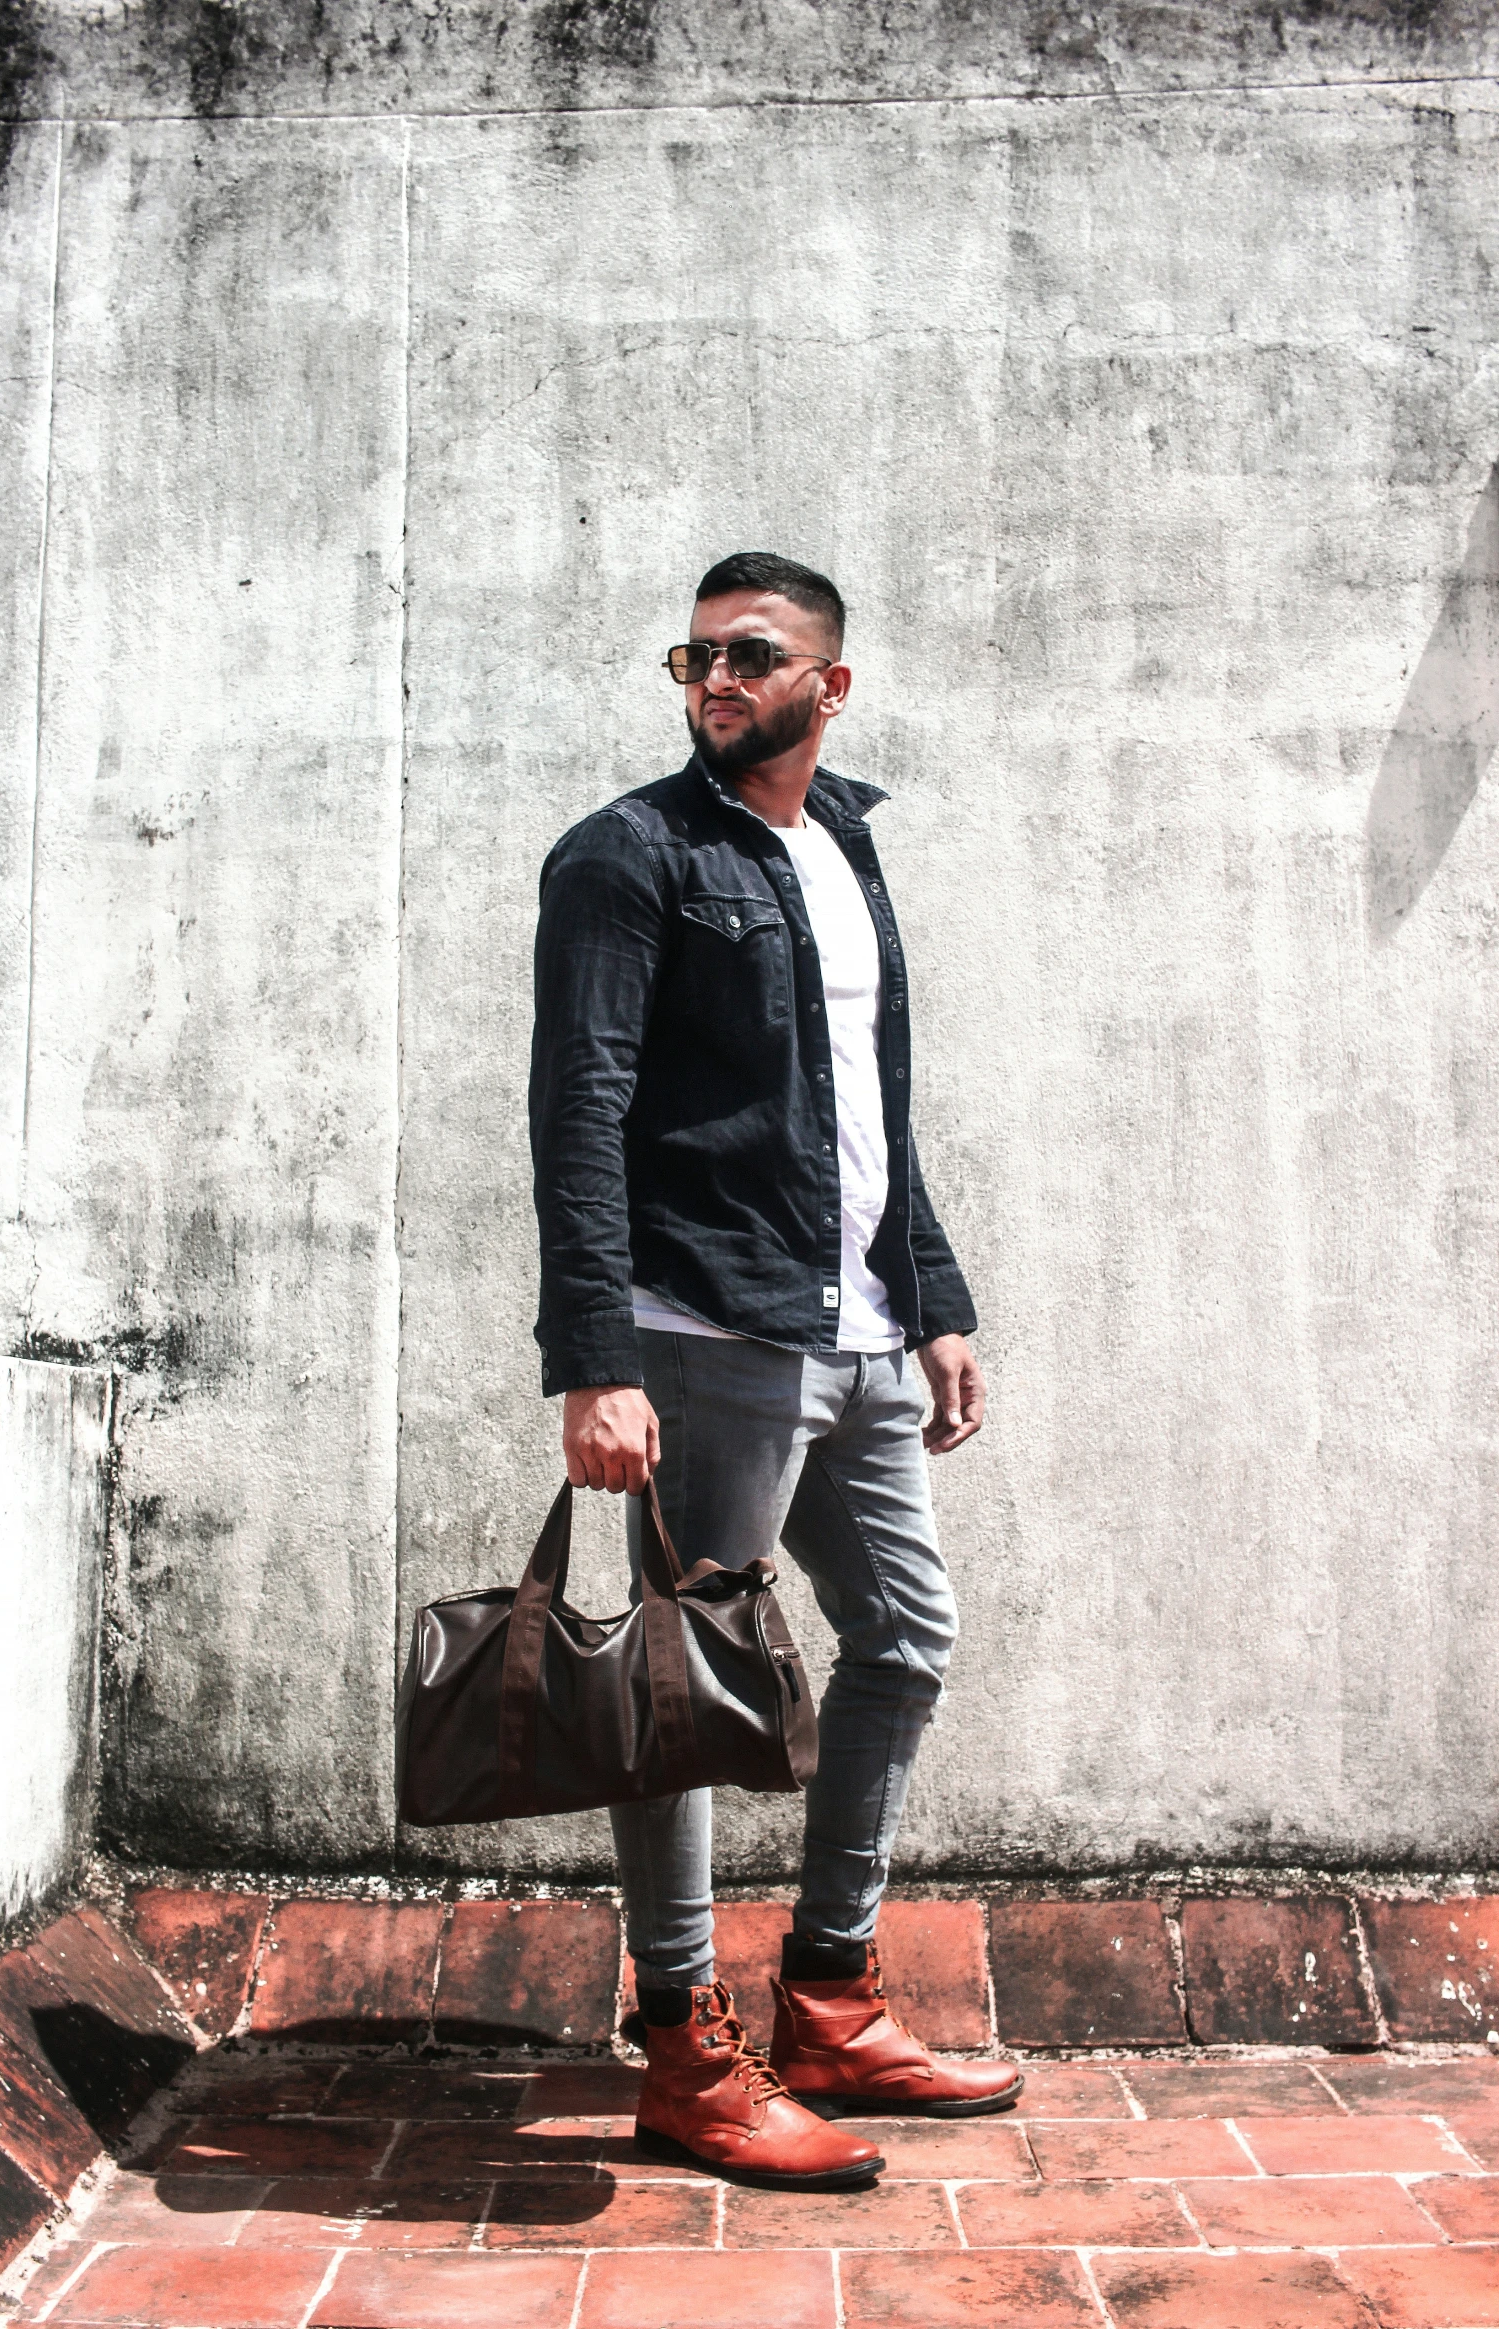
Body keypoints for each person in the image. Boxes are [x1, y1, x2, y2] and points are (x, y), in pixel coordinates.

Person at [529, 551, 1021, 2189]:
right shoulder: (627, 856)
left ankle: (828, 1995)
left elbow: (876, 1113)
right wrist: (597, 1357)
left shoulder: (843, 850)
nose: (715, 680)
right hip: (708, 1331)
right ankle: (680, 2045)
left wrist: (934, 1292)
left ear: (832, 683)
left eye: (751, 656)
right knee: (686, 1690)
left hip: (862, 1328)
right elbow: (579, 1115)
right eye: (697, 658)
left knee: (906, 1636)